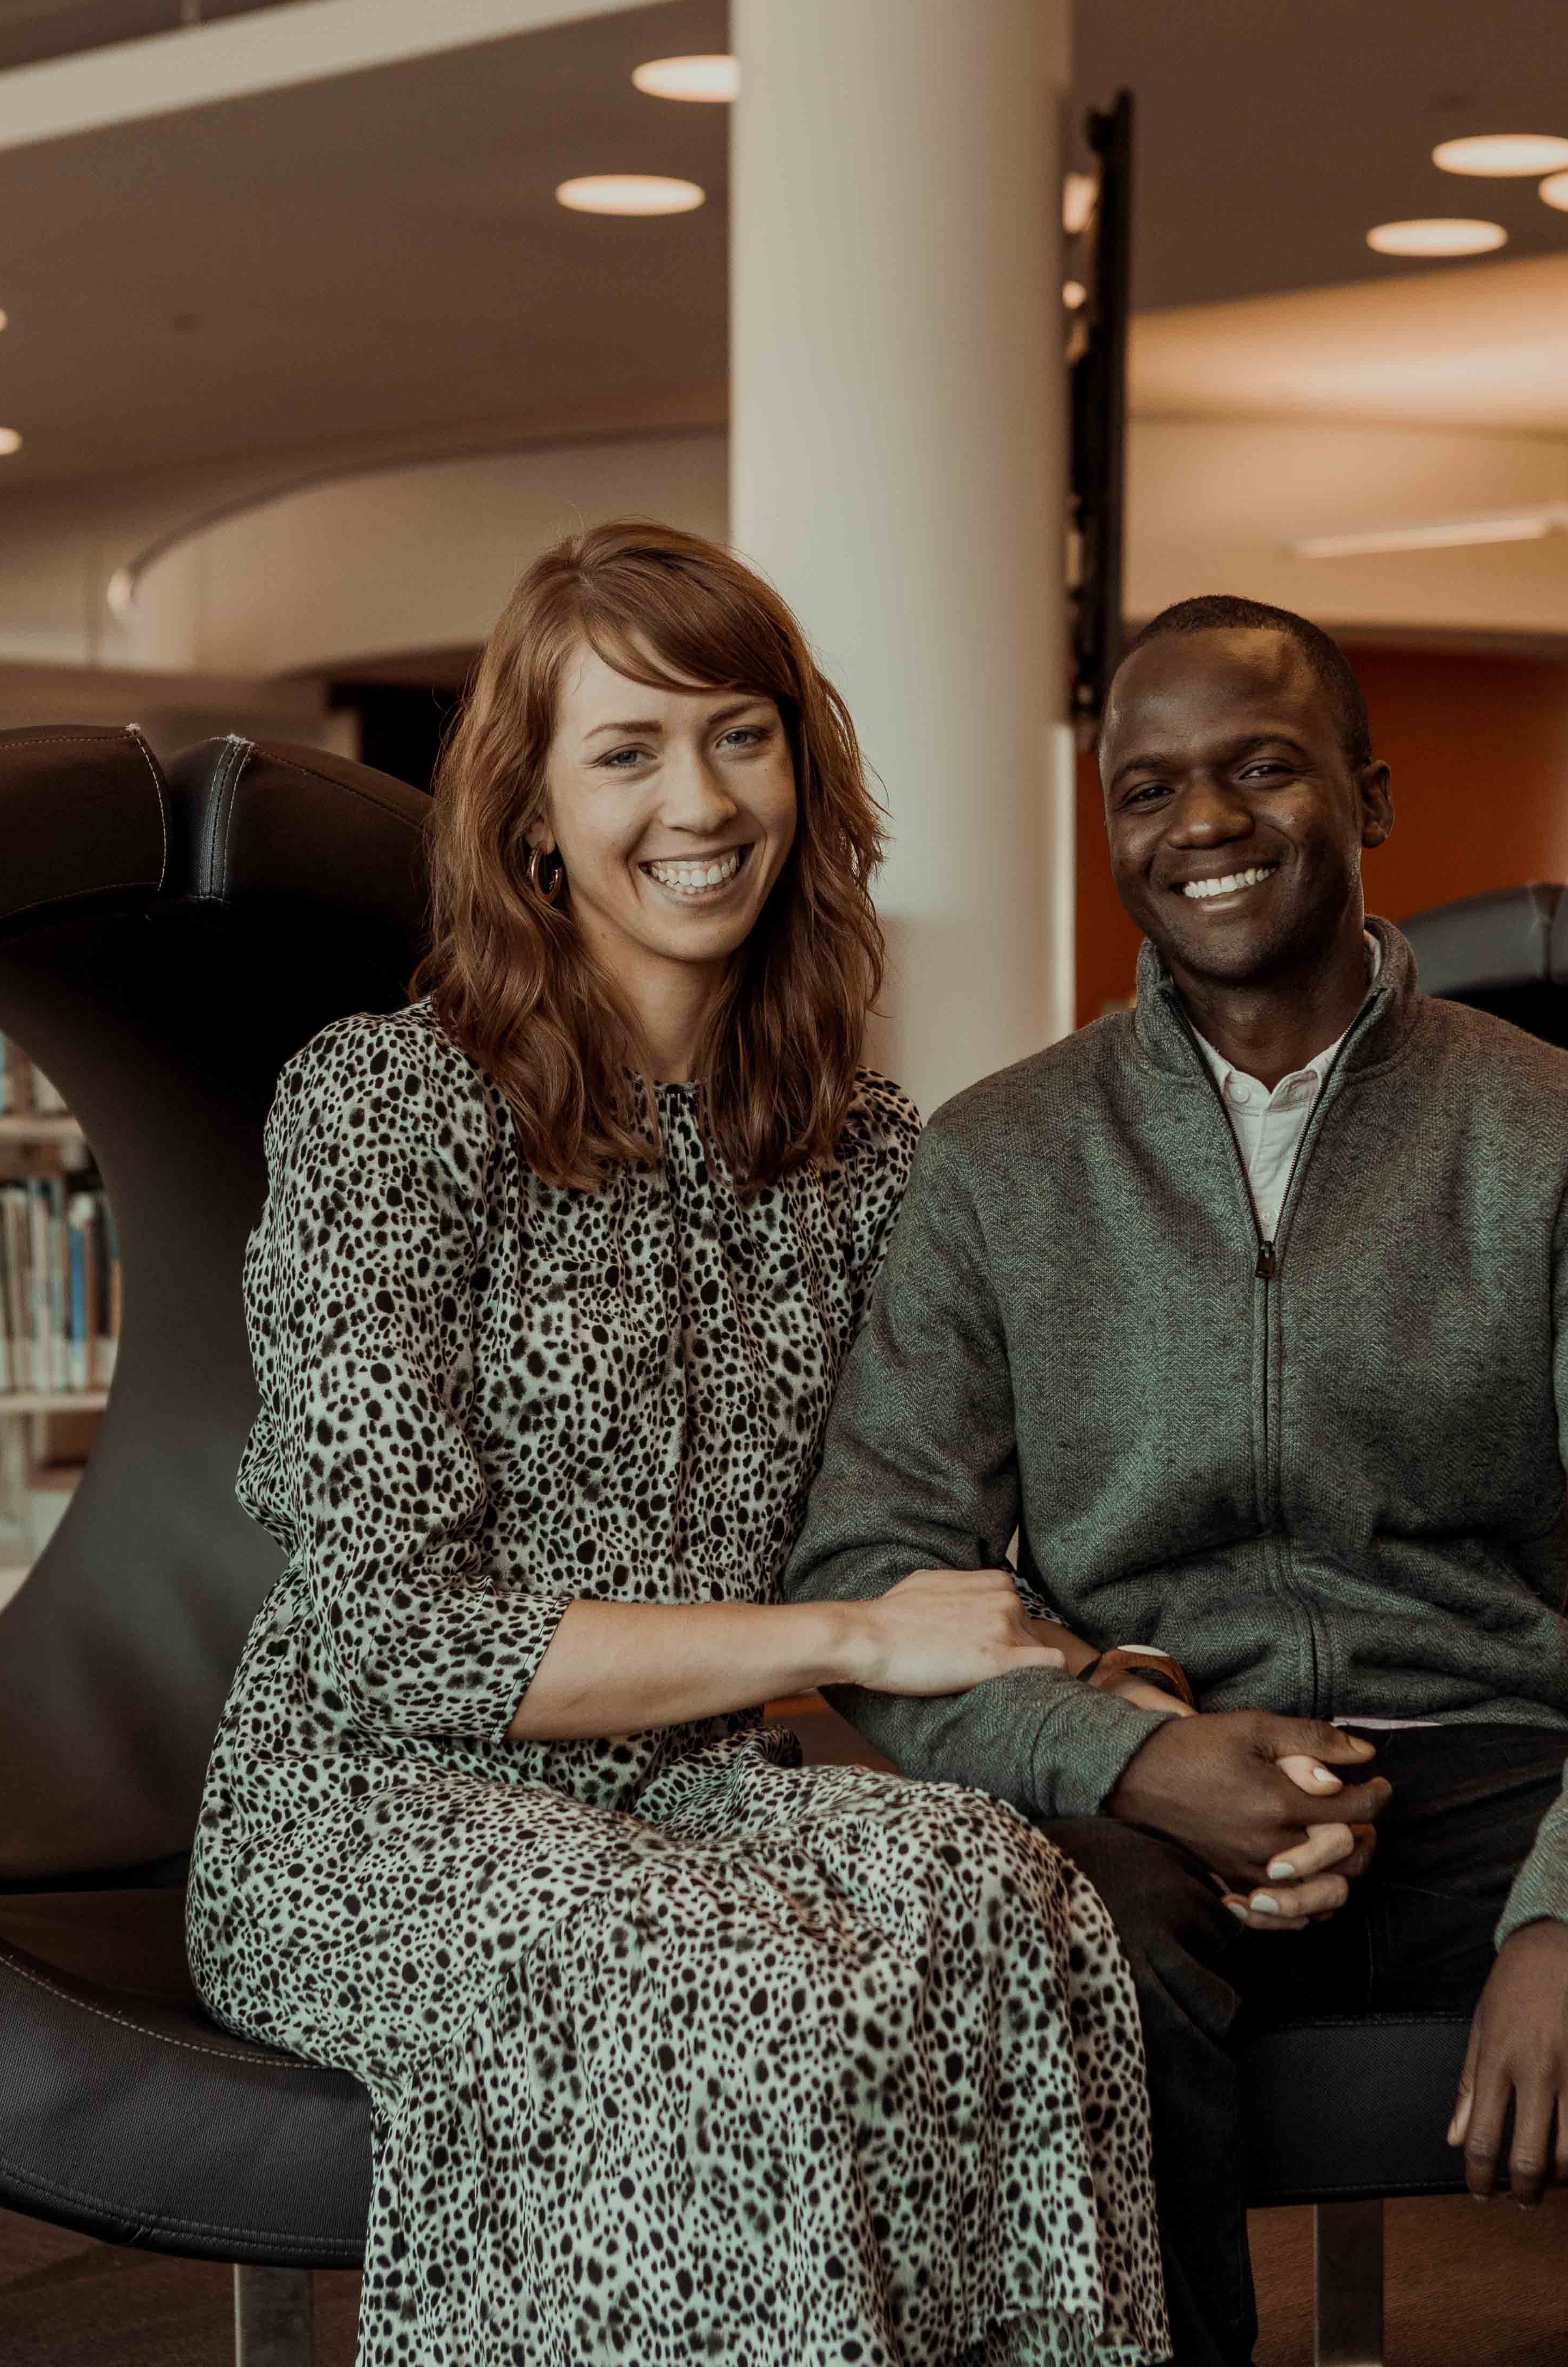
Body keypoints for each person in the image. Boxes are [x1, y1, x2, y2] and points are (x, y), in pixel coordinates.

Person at [786, 595, 1568, 2367]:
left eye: (1263, 766)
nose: (1203, 824)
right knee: (1062, 1938)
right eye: (1148, 787)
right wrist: (1130, 1757)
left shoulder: (1553, 1127)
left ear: (1370, 795)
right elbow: (879, 1567)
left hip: (1485, 1773)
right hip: (1156, 1785)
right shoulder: (995, 1160)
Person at [187, 521, 1167, 2367]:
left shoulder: (863, 1150)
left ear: (800, 771)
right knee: (740, 1987)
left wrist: (1139, 1704)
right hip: (366, 1814)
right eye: (624, 750)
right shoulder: (385, 1109)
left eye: (737, 734)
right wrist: (847, 1642)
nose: (696, 799)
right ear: (533, 816)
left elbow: (946, 1537)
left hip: (688, 1796)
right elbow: (411, 1641)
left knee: (997, 1900)